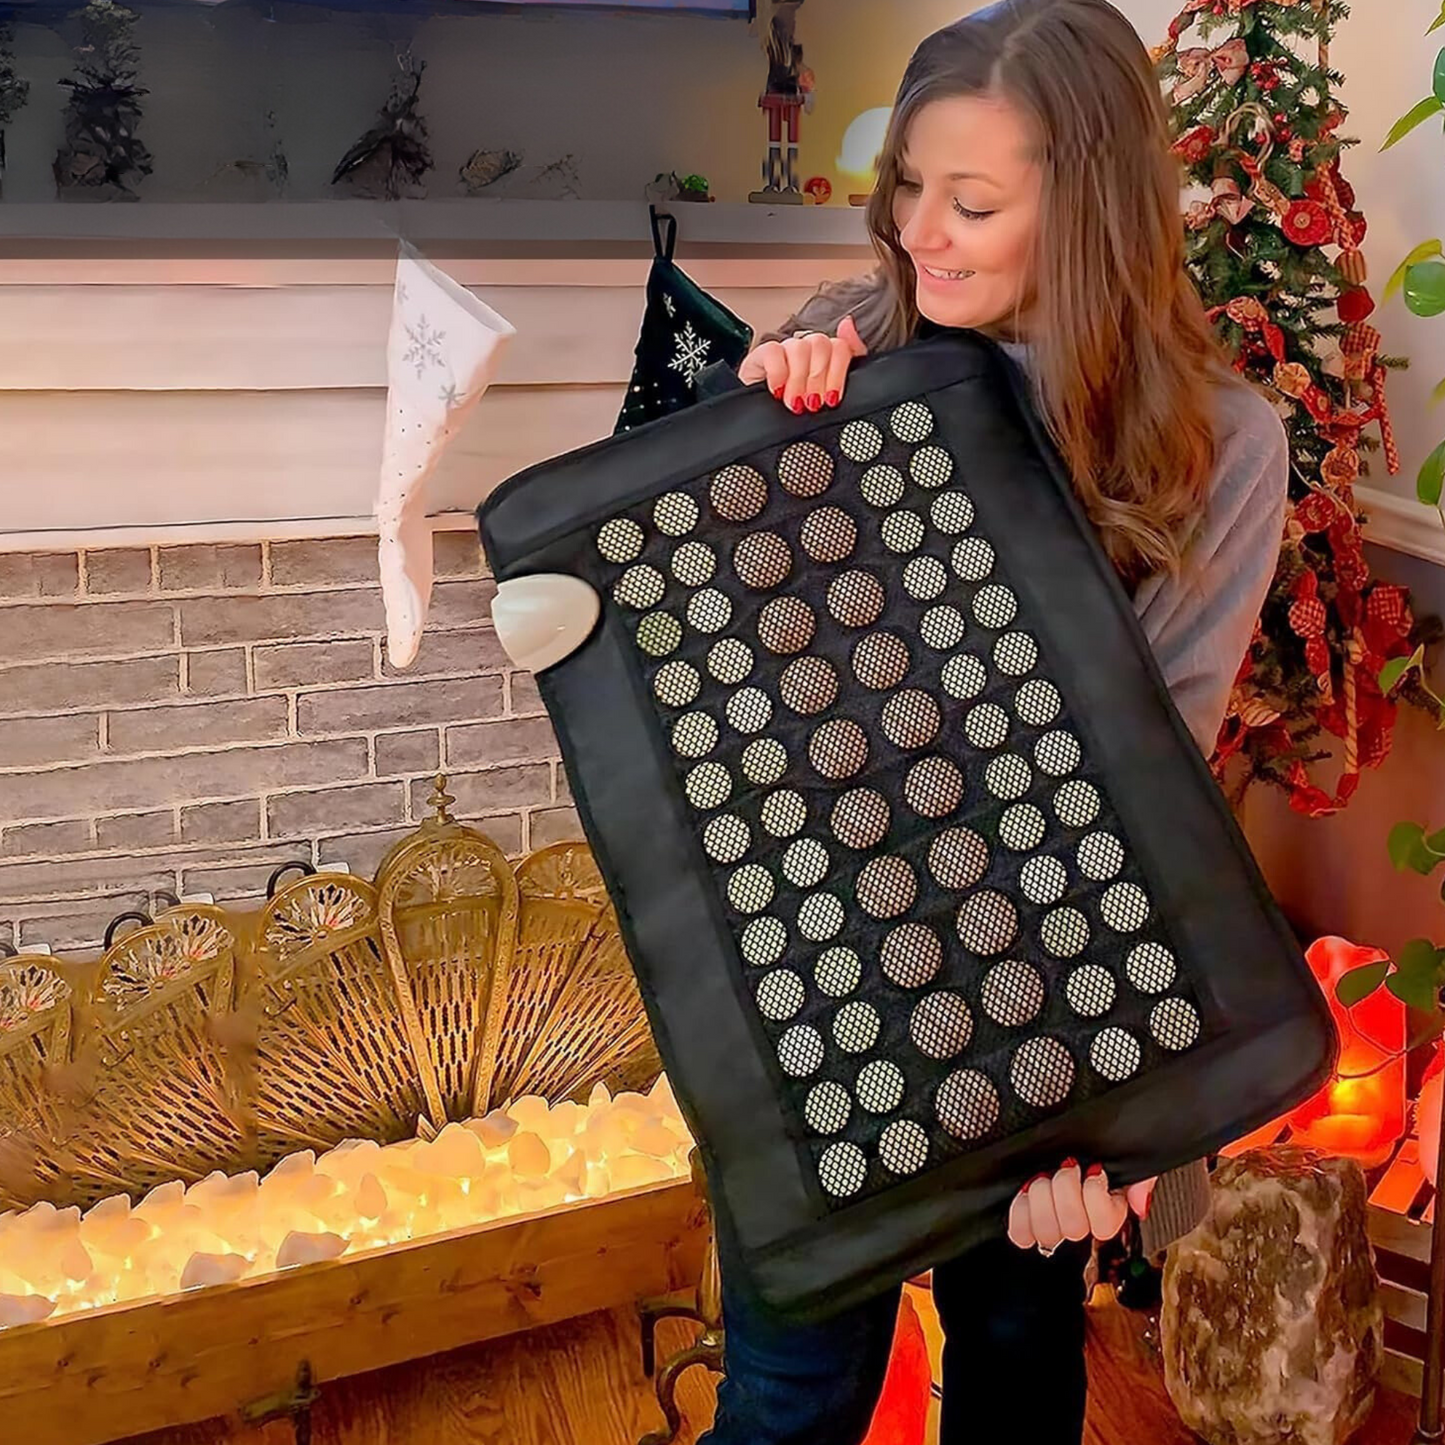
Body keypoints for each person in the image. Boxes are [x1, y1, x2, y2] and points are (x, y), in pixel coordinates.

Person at [710, 2, 1288, 1441]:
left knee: (1018, 1379)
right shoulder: (842, 347)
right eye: (909, 187)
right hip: (820, 975)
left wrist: (1124, 1117)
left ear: (1089, 208)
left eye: (972, 201)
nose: (922, 235)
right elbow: (746, 692)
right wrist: (759, 468)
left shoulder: (1220, 448)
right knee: (786, 1400)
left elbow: (1158, 800)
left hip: (1041, 989)